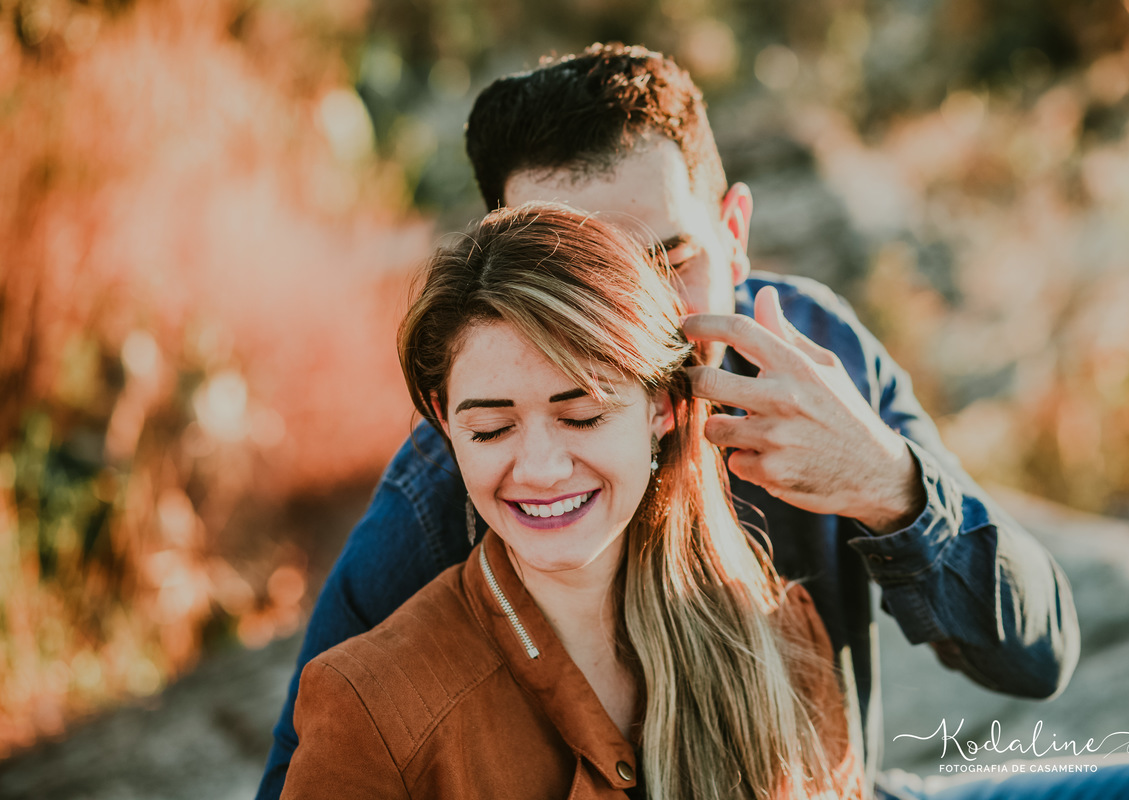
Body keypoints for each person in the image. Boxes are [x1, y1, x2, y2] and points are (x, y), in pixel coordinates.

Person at [258, 43, 1080, 799]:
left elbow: (1036, 657)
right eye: (579, 281)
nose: (635, 320)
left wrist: (890, 485)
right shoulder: (459, 481)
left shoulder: (820, 355)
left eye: (670, 261)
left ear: (734, 233)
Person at [281, 203, 864, 799]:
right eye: (490, 429)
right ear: (443, 419)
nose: (539, 470)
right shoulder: (371, 710)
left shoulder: (781, 635)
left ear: (661, 406)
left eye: (581, 416)